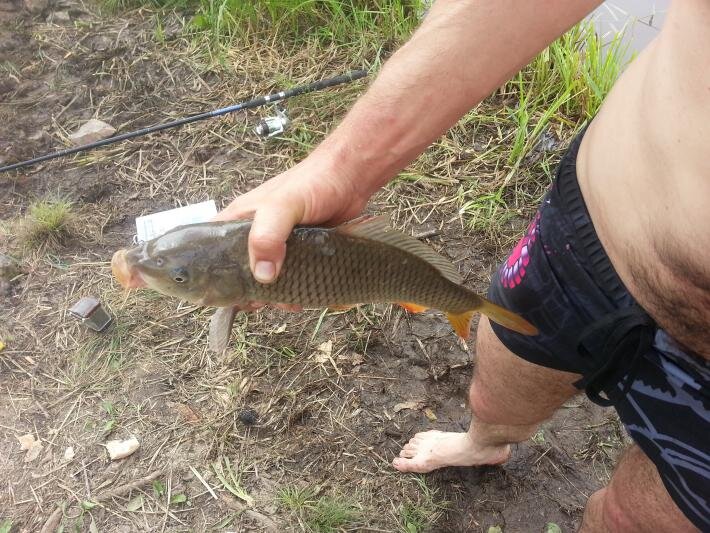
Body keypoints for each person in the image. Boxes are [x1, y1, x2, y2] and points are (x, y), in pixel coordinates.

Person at [213, 0, 709, 530]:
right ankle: (482, 443)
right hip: (595, 223)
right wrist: (340, 168)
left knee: (629, 519)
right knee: (500, 380)